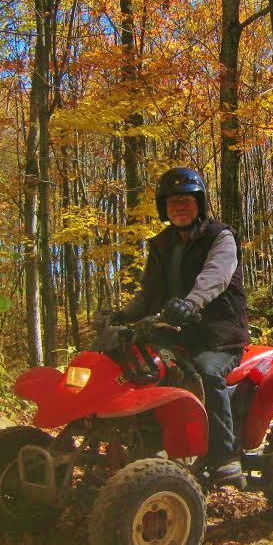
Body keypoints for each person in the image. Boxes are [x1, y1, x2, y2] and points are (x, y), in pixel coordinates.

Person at [112, 167, 249, 483]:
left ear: (199, 202)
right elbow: (150, 292)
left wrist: (191, 302)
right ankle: (147, 444)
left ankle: (225, 457)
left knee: (207, 372)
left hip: (220, 333)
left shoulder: (220, 236)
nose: (180, 207)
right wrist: (124, 314)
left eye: (186, 200)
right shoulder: (161, 245)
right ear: (164, 208)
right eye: (173, 202)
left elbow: (217, 275)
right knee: (138, 366)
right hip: (179, 331)